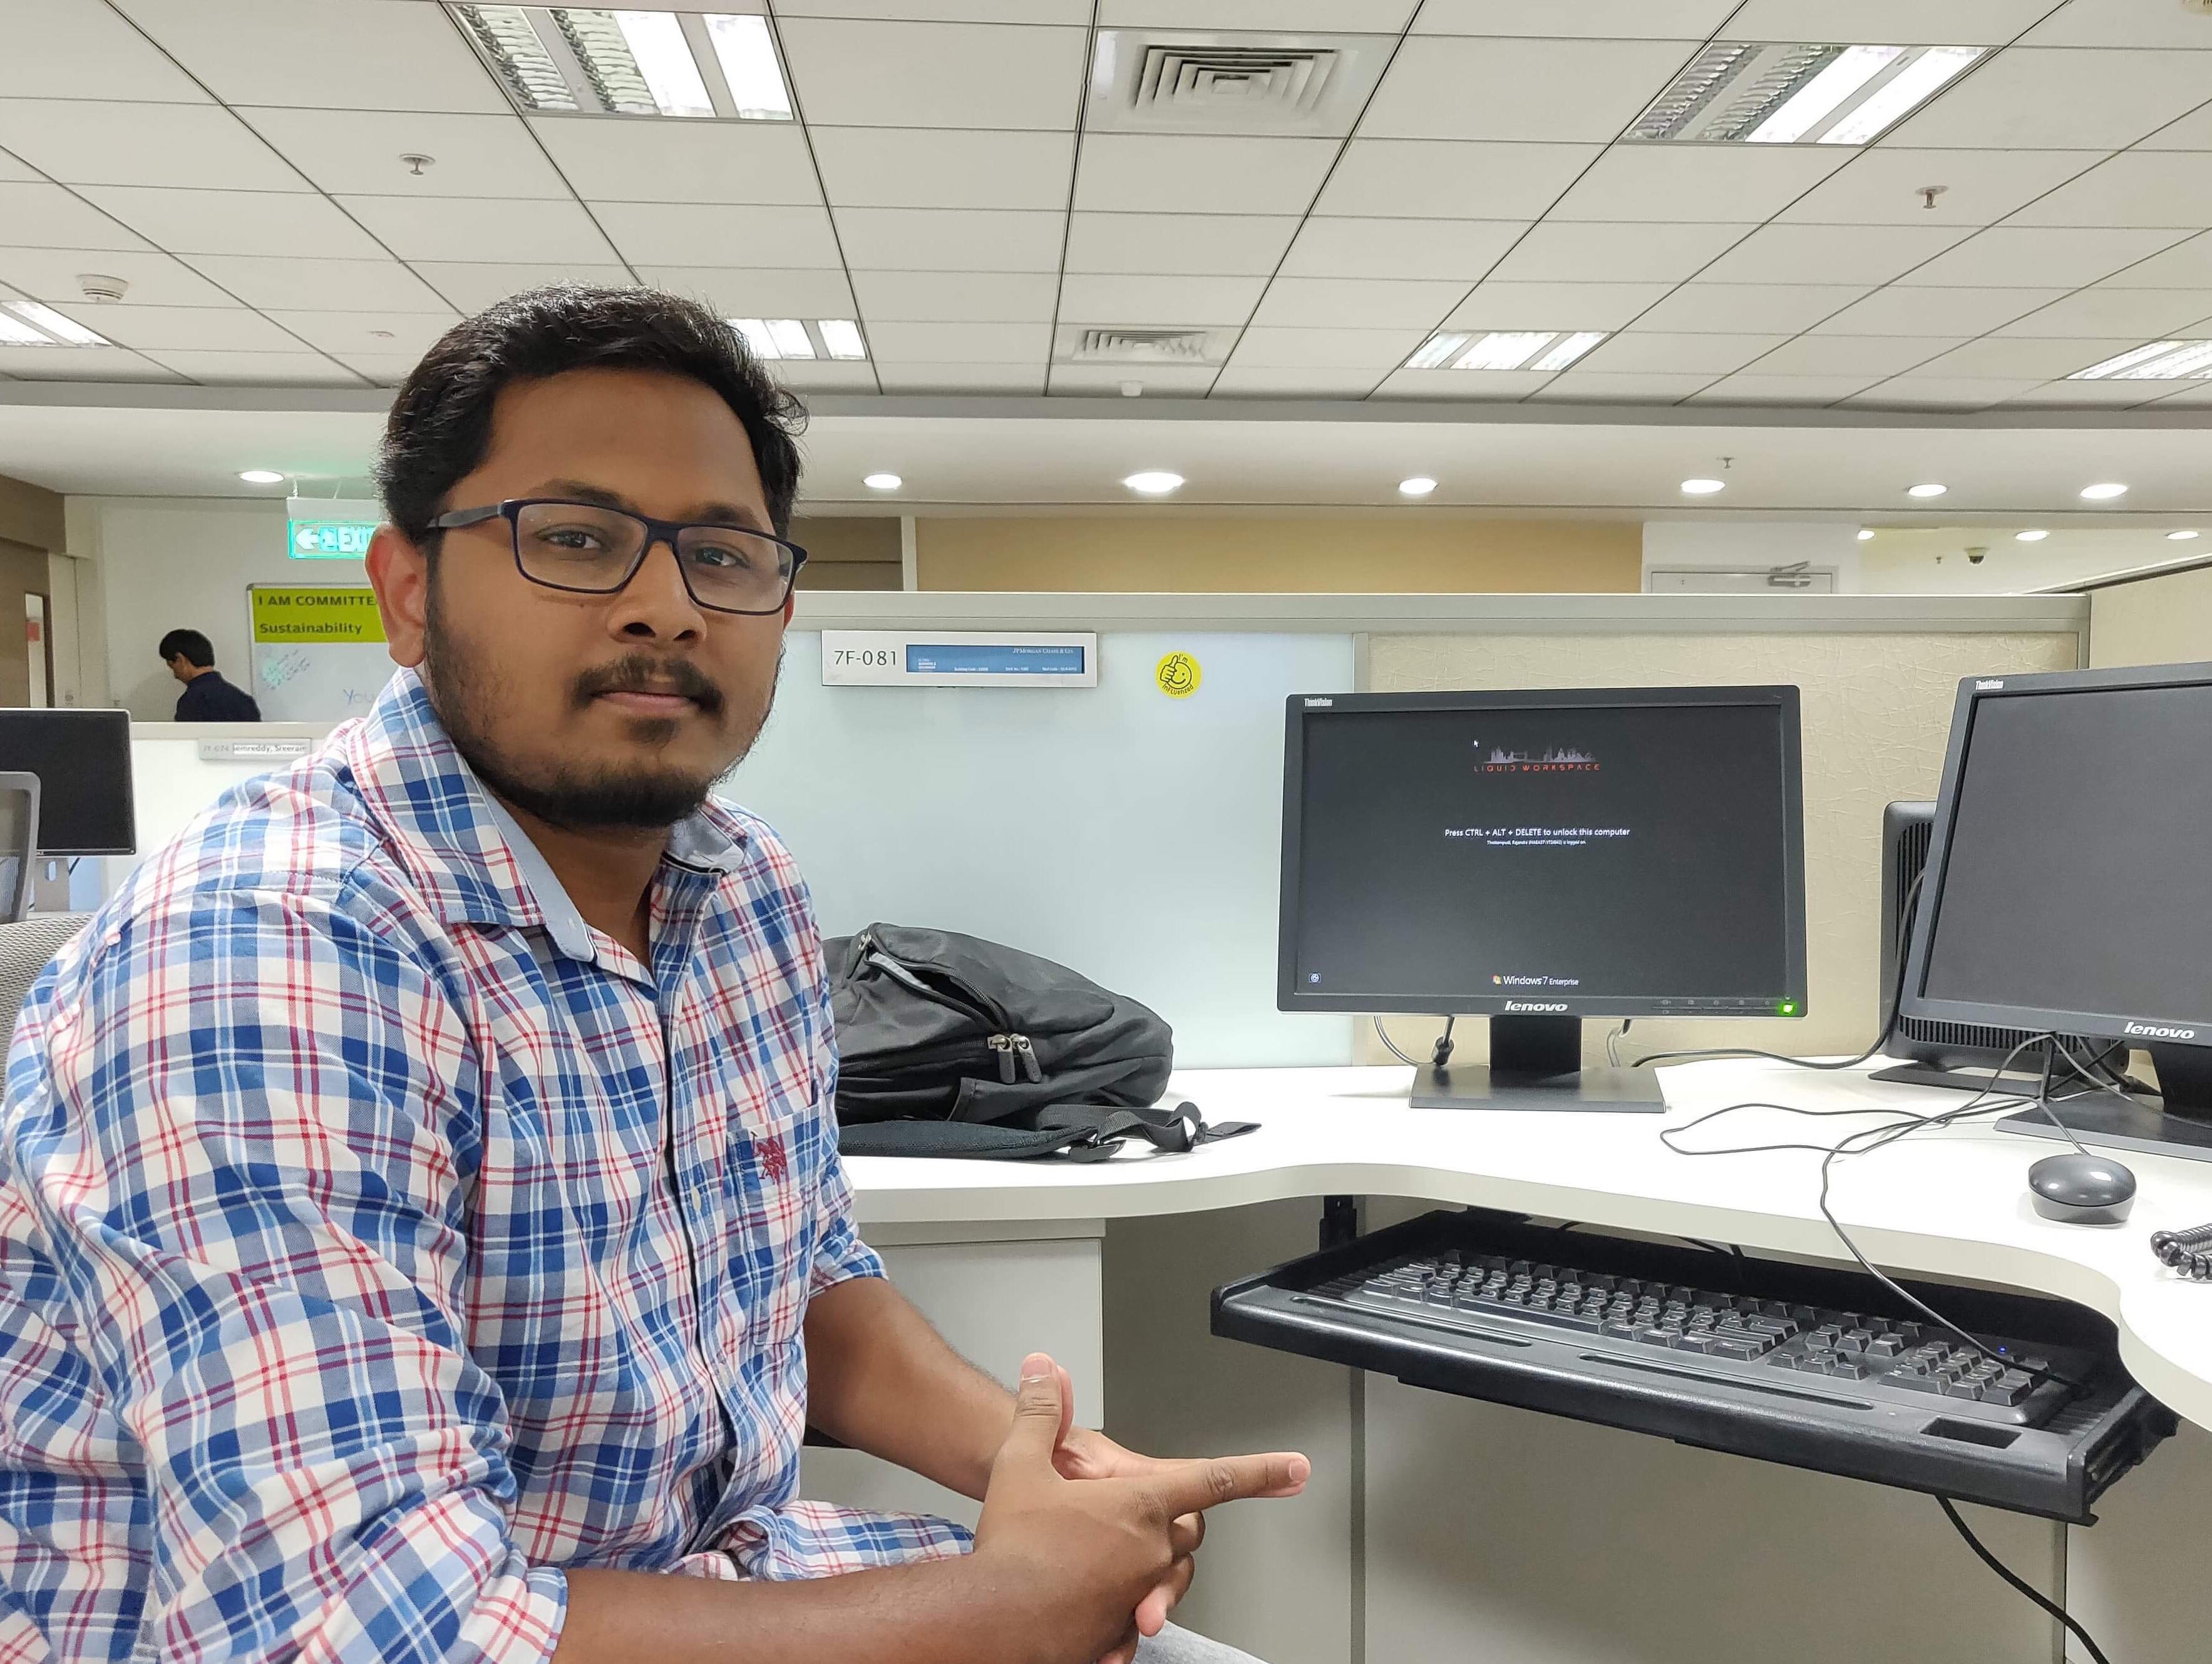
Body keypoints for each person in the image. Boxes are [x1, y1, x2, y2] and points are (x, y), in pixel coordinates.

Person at [1, 285, 1308, 1664]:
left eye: (722, 555)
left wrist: (1048, 1474)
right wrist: (1004, 1608)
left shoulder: (739, 887)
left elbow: (802, 1286)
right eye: (575, 538)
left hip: (687, 1582)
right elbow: (372, 1627)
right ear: (407, 591)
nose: (666, 608)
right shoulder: (271, 949)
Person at [158, 627, 262, 721]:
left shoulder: (192, 702)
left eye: (173, 668)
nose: (175, 676)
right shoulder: (244, 700)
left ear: (180, 660)